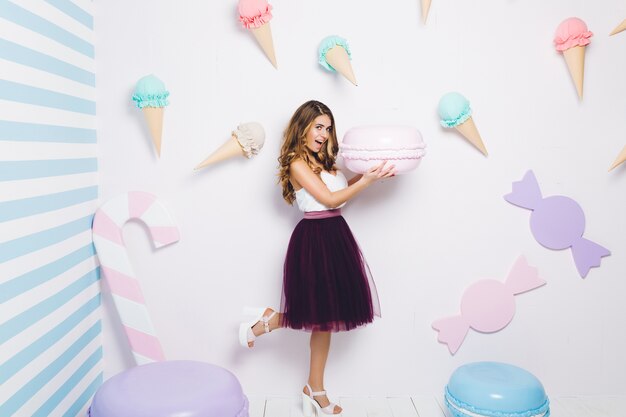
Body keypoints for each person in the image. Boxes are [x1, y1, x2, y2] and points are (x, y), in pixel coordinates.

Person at [238, 100, 395, 416]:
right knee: (317, 313)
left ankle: (314, 387)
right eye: (318, 126)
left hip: (336, 234)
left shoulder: (323, 161)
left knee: (326, 319)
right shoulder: (297, 162)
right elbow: (327, 198)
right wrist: (364, 181)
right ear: (304, 126)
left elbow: (339, 196)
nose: (324, 134)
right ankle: (266, 323)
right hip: (314, 240)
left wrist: (368, 178)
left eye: (328, 128)